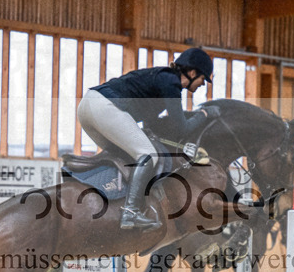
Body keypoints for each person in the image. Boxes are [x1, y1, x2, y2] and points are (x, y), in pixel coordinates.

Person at [77, 47, 215, 230]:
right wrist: (203, 115)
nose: (202, 84)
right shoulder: (171, 82)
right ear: (192, 73)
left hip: (87, 106)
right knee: (149, 155)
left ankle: (110, 206)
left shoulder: (161, 78)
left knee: (125, 156)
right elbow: (182, 128)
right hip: (105, 107)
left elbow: (152, 122)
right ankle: (131, 211)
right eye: (202, 79)